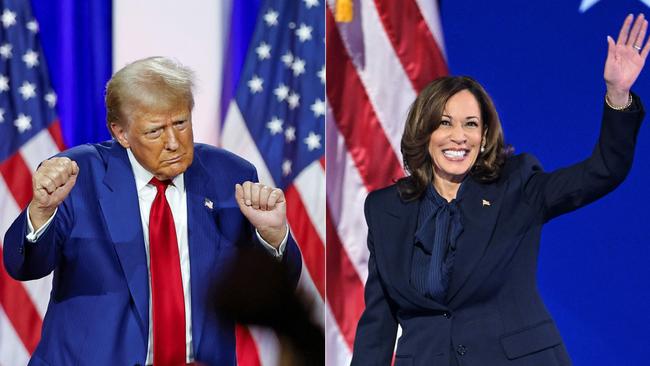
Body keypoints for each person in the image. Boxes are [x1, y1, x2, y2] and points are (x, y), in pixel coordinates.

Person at [351, 14, 648, 366]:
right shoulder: (387, 208)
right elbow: (378, 322)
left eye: (471, 124)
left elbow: (603, 171)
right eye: (444, 123)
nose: (459, 136)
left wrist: (617, 95)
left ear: (484, 135)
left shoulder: (517, 185)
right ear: (424, 132)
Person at [3, 56, 302, 366]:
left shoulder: (230, 176)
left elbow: (274, 293)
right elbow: (24, 267)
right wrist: (41, 211)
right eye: (155, 131)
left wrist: (273, 236)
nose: (173, 142)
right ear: (121, 133)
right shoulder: (79, 177)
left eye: (181, 123)